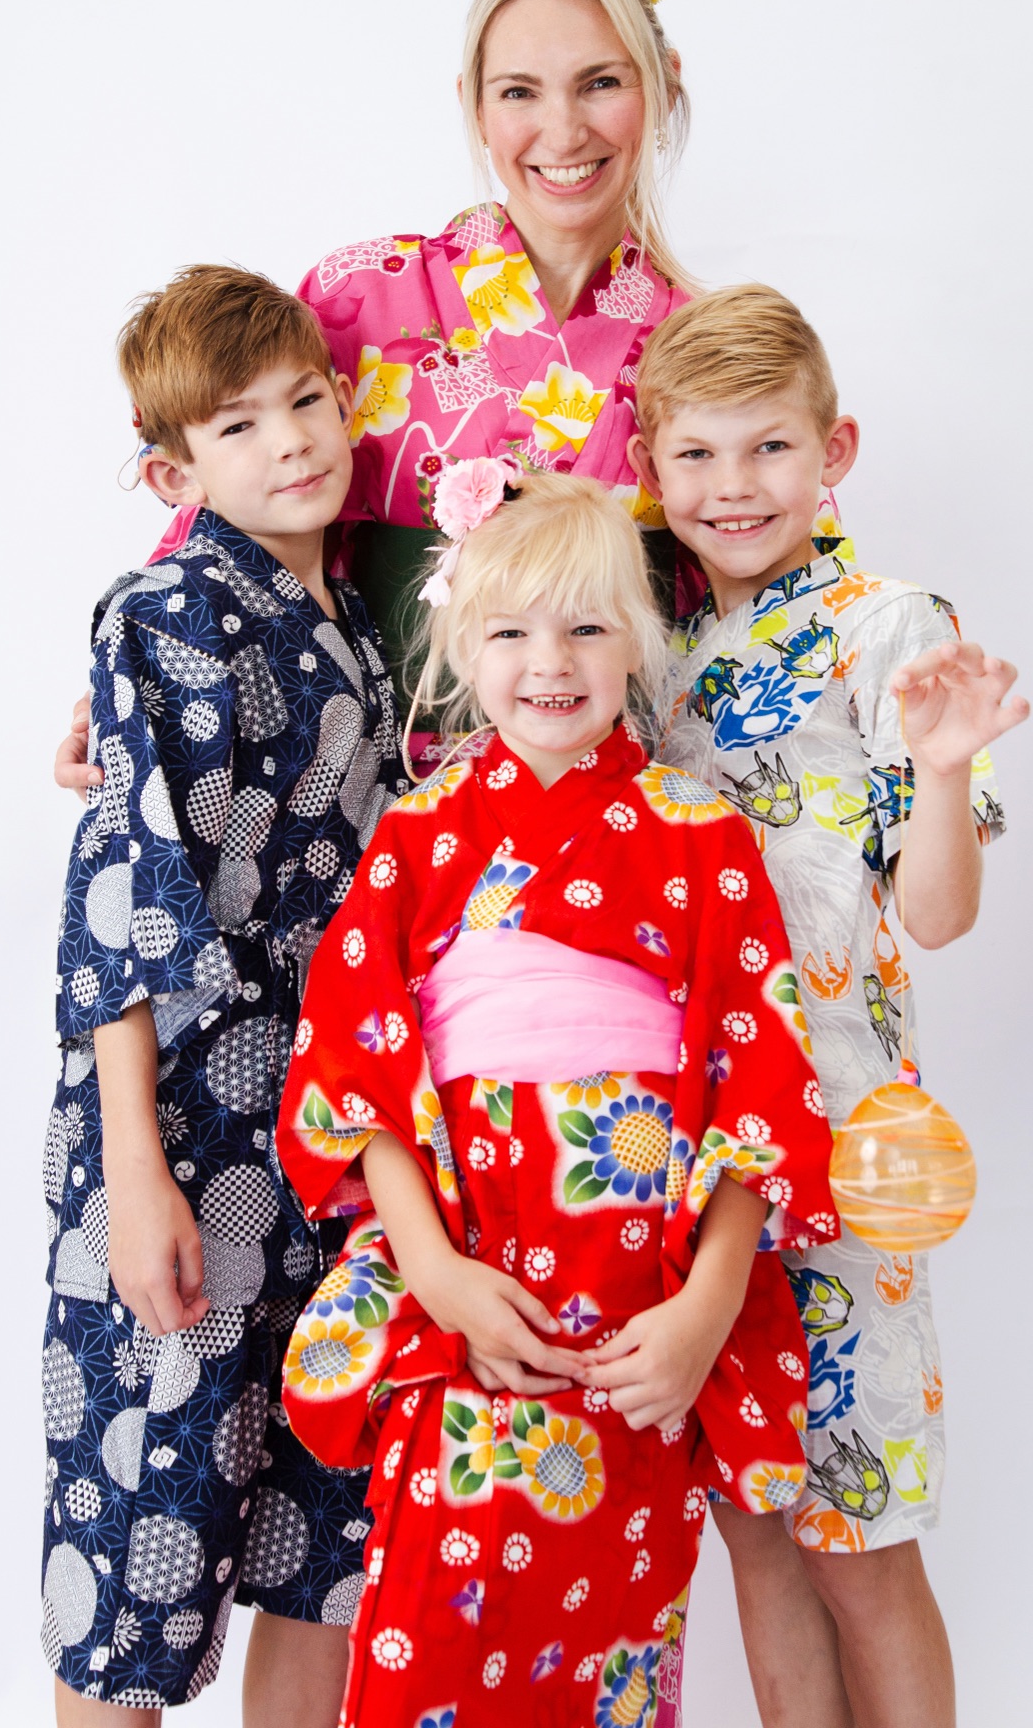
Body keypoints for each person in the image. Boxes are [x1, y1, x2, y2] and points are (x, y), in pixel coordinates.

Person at [273, 465, 840, 1728]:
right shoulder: (420, 833)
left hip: (641, 1310)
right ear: (458, 642)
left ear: (637, 639)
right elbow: (354, 1074)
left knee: (613, 1644)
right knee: (429, 1624)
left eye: (588, 625)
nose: (552, 661)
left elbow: (757, 1076)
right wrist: (431, 1270)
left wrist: (705, 1308)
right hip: (471, 1289)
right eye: (512, 629)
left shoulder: (701, 830)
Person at [628, 285, 1029, 1728]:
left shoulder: (890, 624)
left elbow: (934, 913)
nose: (733, 489)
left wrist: (938, 767)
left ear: (832, 449)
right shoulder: (648, 645)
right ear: (651, 462)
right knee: (752, 1522)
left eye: (769, 450)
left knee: (860, 1537)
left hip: (844, 1144)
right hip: (688, 1147)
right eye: (698, 457)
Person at [54, 0, 698, 794]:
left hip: (618, 807)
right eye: (518, 91)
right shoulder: (363, 297)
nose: (561, 129)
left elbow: (771, 568)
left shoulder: (698, 343)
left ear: (661, 88)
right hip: (368, 802)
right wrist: (139, 682)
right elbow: (231, 512)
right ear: (474, 105)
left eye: (602, 83)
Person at [41, 267, 406, 1725]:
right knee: (139, 1551)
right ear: (172, 471)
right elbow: (121, 897)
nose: (291, 444)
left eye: (306, 402)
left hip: (335, 1125)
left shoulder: (367, 620)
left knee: (322, 1547)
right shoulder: (167, 611)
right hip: (184, 1117)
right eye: (238, 427)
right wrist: (136, 1172)